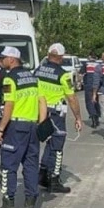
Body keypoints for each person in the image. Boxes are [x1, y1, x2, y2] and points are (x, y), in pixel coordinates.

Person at [0, 46, 46, 208]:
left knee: (8, 166)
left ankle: (7, 205)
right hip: (32, 126)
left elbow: (9, 105)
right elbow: (42, 102)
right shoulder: (34, 77)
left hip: (16, 128)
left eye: (3, 58)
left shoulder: (10, 79)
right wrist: (41, 124)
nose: (1, 61)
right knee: (31, 165)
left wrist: (0, 129)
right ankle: (30, 204)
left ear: (12, 59)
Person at [34, 43, 83, 194]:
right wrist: (78, 117)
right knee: (57, 146)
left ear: (48, 55)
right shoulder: (63, 75)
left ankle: (42, 174)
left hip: (39, 111)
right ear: (61, 57)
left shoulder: (38, 70)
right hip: (55, 114)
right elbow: (72, 98)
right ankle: (54, 179)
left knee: (49, 143)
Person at [79, 52, 101, 128]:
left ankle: (93, 118)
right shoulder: (99, 65)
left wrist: (80, 82)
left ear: (89, 57)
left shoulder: (86, 64)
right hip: (97, 85)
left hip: (88, 85)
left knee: (89, 102)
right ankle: (97, 116)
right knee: (96, 101)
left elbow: (81, 74)